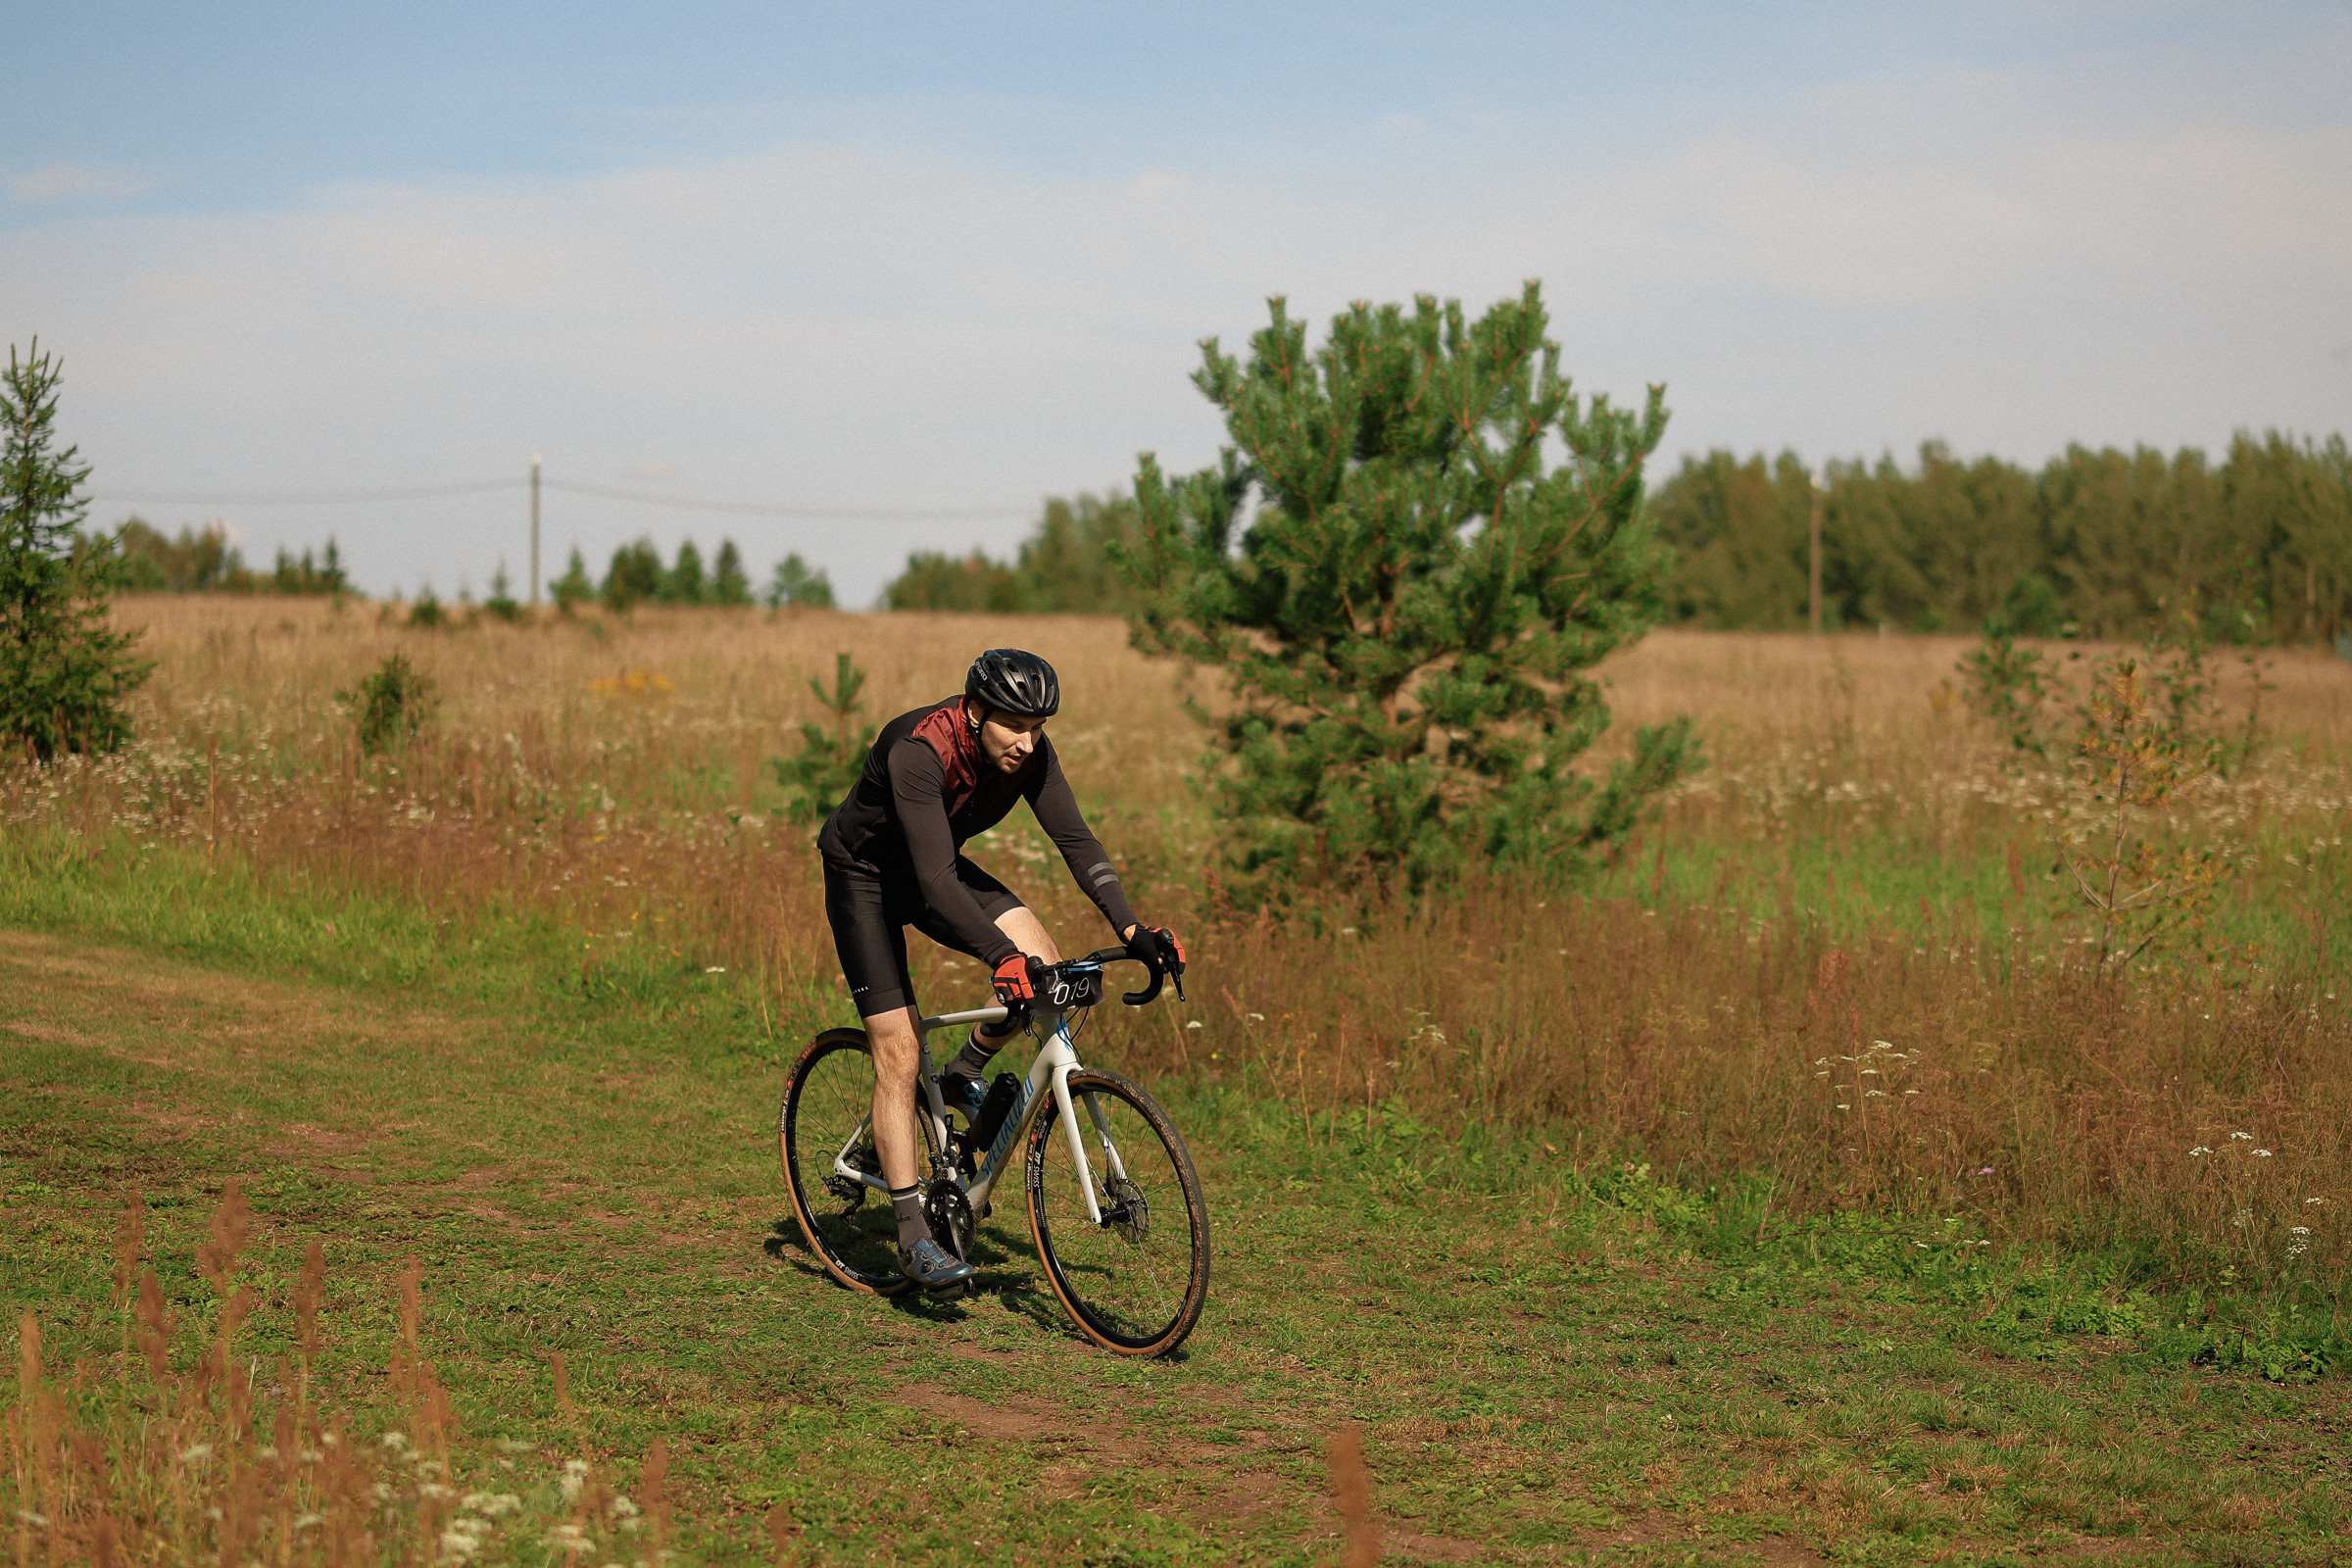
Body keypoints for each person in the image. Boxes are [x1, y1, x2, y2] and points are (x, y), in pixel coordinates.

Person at [815, 648, 1185, 1291]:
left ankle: (963, 1070)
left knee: (1045, 974)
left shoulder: (1031, 757)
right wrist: (997, 955)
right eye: (1014, 724)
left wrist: (1132, 928)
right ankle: (912, 1239)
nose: (1027, 741)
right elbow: (932, 879)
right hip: (867, 879)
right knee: (899, 1050)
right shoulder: (918, 749)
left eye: (1038, 726)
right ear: (976, 710)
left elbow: (1077, 840)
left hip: (935, 873)